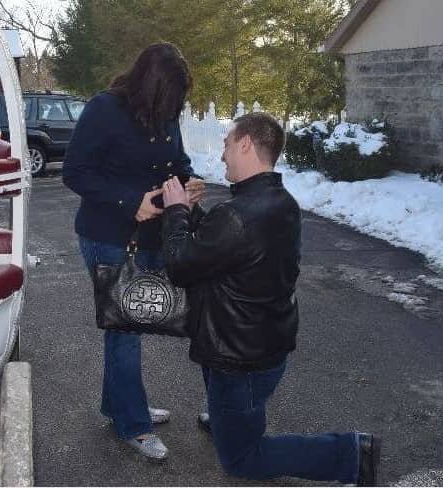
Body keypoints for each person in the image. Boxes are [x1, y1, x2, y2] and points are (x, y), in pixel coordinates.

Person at [161, 112, 381, 485]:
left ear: (246, 143)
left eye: (227, 144)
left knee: (243, 460)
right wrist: (195, 213)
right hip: (259, 343)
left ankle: (349, 453)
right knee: (237, 409)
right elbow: (223, 251)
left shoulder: (237, 214)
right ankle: (227, 419)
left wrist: (177, 212)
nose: (222, 155)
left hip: (238, 356)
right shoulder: (281, 202)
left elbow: (181, 266)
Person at [62, 42, 205, 461]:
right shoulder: (105, 109)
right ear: (149, 85)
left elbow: (177, 161)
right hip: (107, 235)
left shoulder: (166, 113)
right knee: (125, 331)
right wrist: (129, 200)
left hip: (151, 237)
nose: (172, 108)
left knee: (125, 324)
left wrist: (189, 180)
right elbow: (75, 172)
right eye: (168, 98)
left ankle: (120, 406)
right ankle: (133, 426)